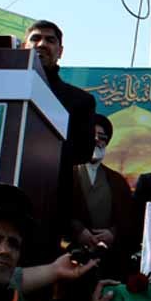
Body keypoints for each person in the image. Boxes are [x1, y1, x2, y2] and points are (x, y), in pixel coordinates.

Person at [23, 21, 96, 250]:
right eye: (35, 38)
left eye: (50, 40)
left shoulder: (80, 101)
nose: (42, 44)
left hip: (47, 207)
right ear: (24, 46)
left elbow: (83, 152)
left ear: (60, 51)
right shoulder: (5, 87)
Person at [70, 113, 136, 269]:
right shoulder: (66, 173)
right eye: (91, 136)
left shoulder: (118, 181)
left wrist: (112, 233)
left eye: (101, 137)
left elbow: (129, 218)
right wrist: (78, 231)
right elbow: (57, 208)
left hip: (108, 258)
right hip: (70, 255)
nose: (96, 140)